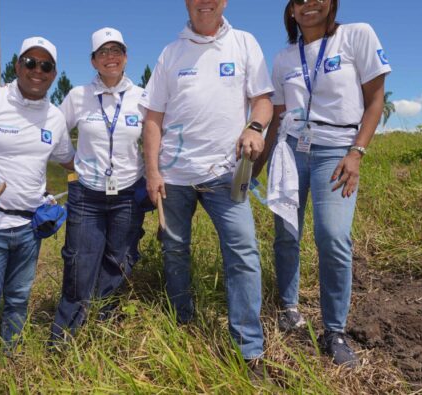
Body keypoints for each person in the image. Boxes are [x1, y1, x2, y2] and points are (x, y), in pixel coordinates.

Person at [253, 0, 391, 368]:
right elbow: (278, 115)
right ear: (292, 11)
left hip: (336, 151)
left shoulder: (357, 36)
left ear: (332, 3)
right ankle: (288, 307)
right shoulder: (283, 57)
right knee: (285, 232)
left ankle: (335, 331)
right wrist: (258, 166)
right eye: (299, 0)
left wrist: (357, 152)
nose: (308, 4)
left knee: (332, 235)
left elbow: (375, 99)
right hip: (289, 150)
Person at [140, 0, 274, 374]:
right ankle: (183, 321)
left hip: (224, 174)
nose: (205, 2)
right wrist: (152, 172)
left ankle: (249, 349)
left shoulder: (244, 43)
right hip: (175, 176)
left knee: (244, 253)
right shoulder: (171, 53)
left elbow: (263, 101)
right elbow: (153, 118)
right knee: (175, 250)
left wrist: (255, 127)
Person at [0, 37, 75, 386]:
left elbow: (70, 161)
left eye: (46, 66)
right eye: (31, 62)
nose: (37, 71)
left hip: (29, 227)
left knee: (19, 300)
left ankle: (13, 365)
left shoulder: (55, 118)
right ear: (17, 65)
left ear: (54, 74)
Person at [49, 27, 148, 342]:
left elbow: (156, 137)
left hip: (129, 193)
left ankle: (105, 324)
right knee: (79, 260)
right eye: (103, 52)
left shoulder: (142, 97)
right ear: (93, 60)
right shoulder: (78, 96)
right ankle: (65, 335)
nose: (111, 58)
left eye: (116, 51)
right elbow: (54, 132)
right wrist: (72, 161)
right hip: (86, 194)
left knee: (119, 260)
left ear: (126, 57)